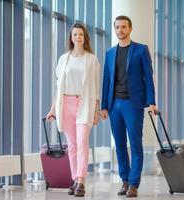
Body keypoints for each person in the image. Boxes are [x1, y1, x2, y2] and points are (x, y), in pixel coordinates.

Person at [101, 15, 158, 198]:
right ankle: (124, 180)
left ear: (130, 29)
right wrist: (103, 106)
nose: (120, 30)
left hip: (133, 104)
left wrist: (152, 102)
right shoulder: (110, 53)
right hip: (114, 104)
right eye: (117, 27)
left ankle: (134, 183)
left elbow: (148, 77)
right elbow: (106, 81)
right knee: (119, 145)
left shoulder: (141, 50)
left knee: (135, 144)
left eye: (123, 27)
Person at [46, 23, 101, 197]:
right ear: (71, 37)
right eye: (75, 34)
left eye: (81, 35)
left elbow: (95, 87)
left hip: (84, 103)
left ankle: (81, 181)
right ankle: (75, 179)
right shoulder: (64, 59)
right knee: (72, 145)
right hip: (66, 104)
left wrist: (95, 111)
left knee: (82, 142)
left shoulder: (91, 59)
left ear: (85, 38)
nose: (78, 37)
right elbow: (59, 88)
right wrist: (52, 109)